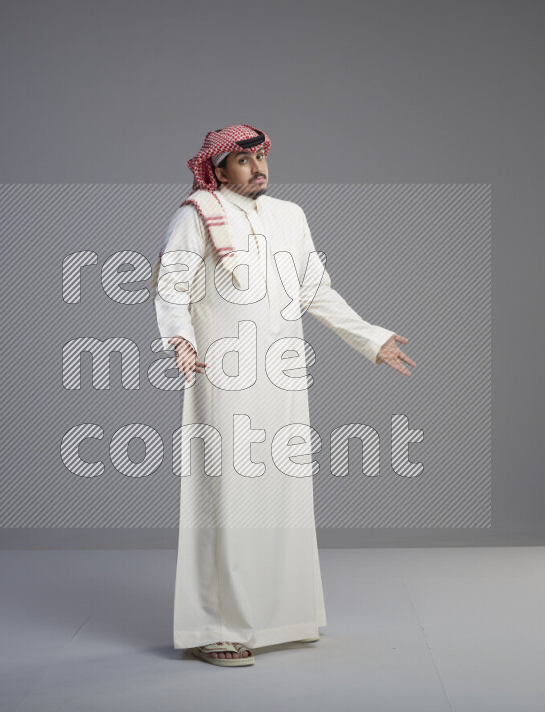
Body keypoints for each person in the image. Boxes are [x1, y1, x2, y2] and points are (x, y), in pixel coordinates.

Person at [151, 124, 415, 667]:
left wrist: (371, 337)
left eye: (261, 158)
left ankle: (281, 618)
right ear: (218, 169)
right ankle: (217, 627)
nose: (257, 168)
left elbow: (314, 288)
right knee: (226, 497)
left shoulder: (289, 216)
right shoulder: (196, 214)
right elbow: (172, 287)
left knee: (283, 495)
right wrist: (178, 340)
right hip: (222, 374)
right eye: (243, 161)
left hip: (283, 373)